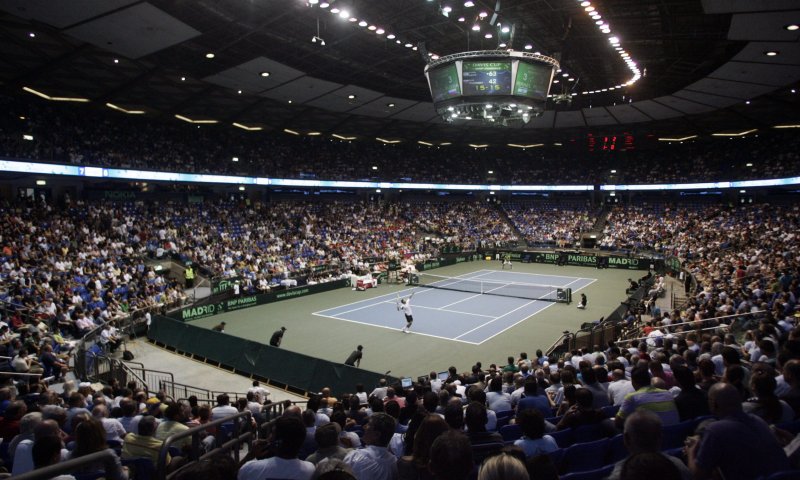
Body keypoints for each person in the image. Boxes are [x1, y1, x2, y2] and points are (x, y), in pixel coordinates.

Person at [686, 382, 790, 480]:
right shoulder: (758, 420)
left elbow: (697, 476)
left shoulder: (715, 430)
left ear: (714, 404)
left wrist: (691, 451)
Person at [238, 416, 315, 480]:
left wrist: (249, 456)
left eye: (272, 433)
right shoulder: (311, 470)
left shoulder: (250, 468)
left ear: (277, 442)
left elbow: (232, 475)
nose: (269, 437)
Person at [343, 412, 398, 480]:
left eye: (368, 424)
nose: (364, 427)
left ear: (377, 435)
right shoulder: (394, 463)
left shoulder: (354, 457)